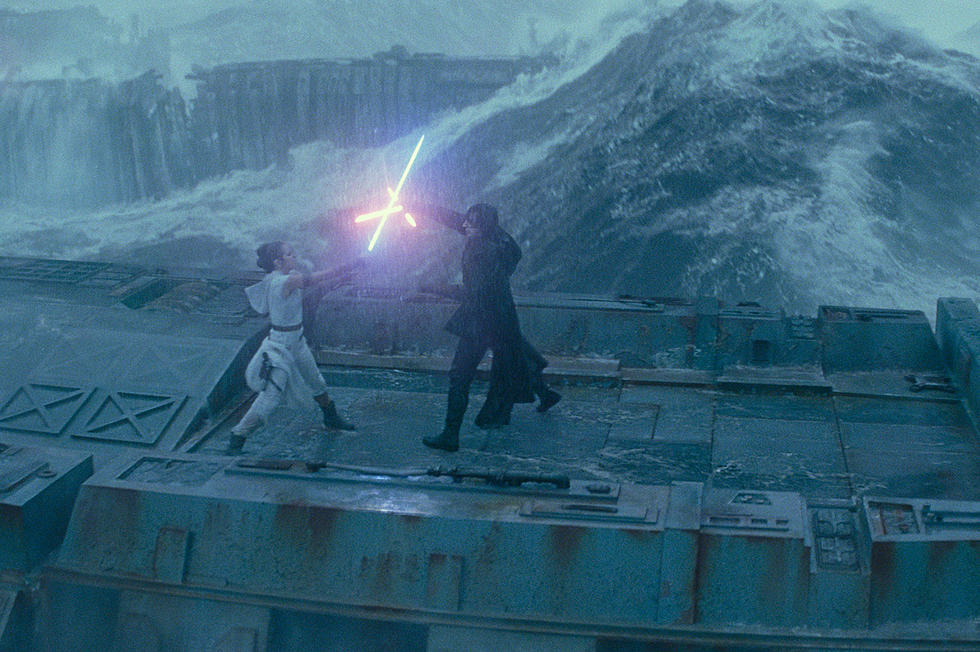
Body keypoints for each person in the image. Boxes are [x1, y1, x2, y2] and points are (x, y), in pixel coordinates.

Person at [415, 203, 560, 452]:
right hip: (502, 316)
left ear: (482, 227)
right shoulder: (498, 238)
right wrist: (422, 208)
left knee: (460, 375)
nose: (464, 225)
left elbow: (471, 293)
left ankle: (450, 435)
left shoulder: (481, 254)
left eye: (471, 223)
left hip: (481, 321)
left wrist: (431, 287)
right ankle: (545, 394)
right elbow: (459, 221)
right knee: (514, 358)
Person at [226, 241, 362, 455]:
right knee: (270, 398)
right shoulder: (282, 282)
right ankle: (238, 435)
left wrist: (345, 274)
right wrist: (349, 265)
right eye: (289, 254)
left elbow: (314, 283)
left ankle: (331, 417)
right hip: (280, 347)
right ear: (277, 262)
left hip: (296, 341)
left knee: (316, 381)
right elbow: (315, 279)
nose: (294, 256)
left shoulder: (285, 278)